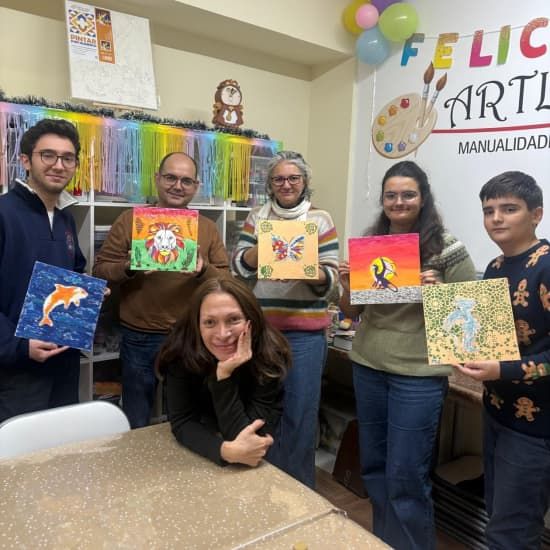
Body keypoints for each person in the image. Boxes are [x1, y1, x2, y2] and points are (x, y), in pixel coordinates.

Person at [339, 161, 476, 550]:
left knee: (406, 477)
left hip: (418, 375)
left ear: (423, 197)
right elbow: (351, 312)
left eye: (408, 194)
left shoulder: (447, 248)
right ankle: (386, 542)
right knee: (374, 468)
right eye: (391, 195)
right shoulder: (372, 245)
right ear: (383, 200)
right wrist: (348, 285)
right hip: (369, 365)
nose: (399, 202)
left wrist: (438, 293)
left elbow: (470, 313)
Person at [93, 152, 229, 428]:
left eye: (186, 181)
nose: (178, 186)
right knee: (136, 415)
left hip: (190, 335)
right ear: (157, 179)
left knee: (189, 414)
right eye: (170, 178)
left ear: (196, 186)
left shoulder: (207, 228)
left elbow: (227, 280)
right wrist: (129, 266)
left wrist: (203, 270)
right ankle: (136, 458)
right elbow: (100, 271)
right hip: (140, 334)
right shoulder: (130, 220)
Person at [232, 150, 339, 487]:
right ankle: (266, 488)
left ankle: (299, 492)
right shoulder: (257, 217)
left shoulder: (320, 219)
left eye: (294, 178)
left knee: (300, 415)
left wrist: (306, 271)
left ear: (305, 182)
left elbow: (332, 280)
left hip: (305, 336)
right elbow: (237, 268)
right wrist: (262, 249)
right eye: (278, 178)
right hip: (263, 332)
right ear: (270, 184)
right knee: (261, 411)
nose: (286, 184)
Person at [455, 171, 550, 550]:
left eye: (509, 209)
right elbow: (488, 335)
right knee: (498, 513)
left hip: (536, 426)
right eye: (488, 210)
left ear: (536, 214)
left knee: (511, 533)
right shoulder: (495, 267)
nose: (496, 218)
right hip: (496, 410)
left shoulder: (546, 266)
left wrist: (501, 369)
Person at [0, 118, 86, 422]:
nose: (58, 165)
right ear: (26, 160)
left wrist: (87, 291)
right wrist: (19, 346)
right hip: (16, 369)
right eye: (48, 155)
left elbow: (75, 270)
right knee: (19, 449)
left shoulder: (66, 218)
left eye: (68, 158)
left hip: (64, 360)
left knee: (64, 443)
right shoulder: (4, 213)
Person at [156, 277, 291, 466]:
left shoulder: (269, 356)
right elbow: (182, 421)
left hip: (247, 449)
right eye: (209, 322)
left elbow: (246, 438)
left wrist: (224, 376)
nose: (223, 334)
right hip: (204, 442)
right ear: (197, 325)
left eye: (233, 319)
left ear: (251, 320)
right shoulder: (181, 352)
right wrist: (224, 451)